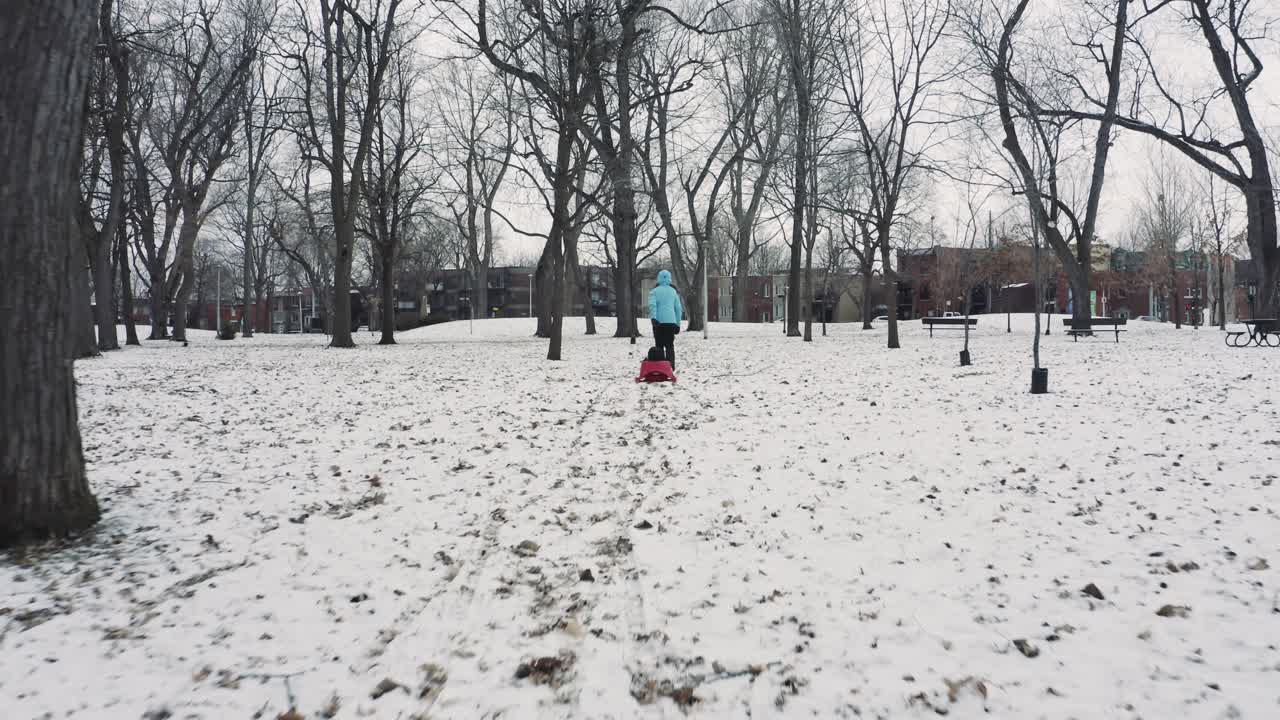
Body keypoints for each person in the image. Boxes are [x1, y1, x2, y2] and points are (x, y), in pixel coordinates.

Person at [648, 270, 683, 369]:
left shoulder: (654, 292)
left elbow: (652, 306)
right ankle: (670, 367)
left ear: (658, 278)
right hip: (671, 322)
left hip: (658, 322)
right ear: (669, 278)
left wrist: (654, 318)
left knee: (659, 345)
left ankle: (660, 367)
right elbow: (678, 309)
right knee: (670, 346)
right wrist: (678, 324)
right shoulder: (673, 292)